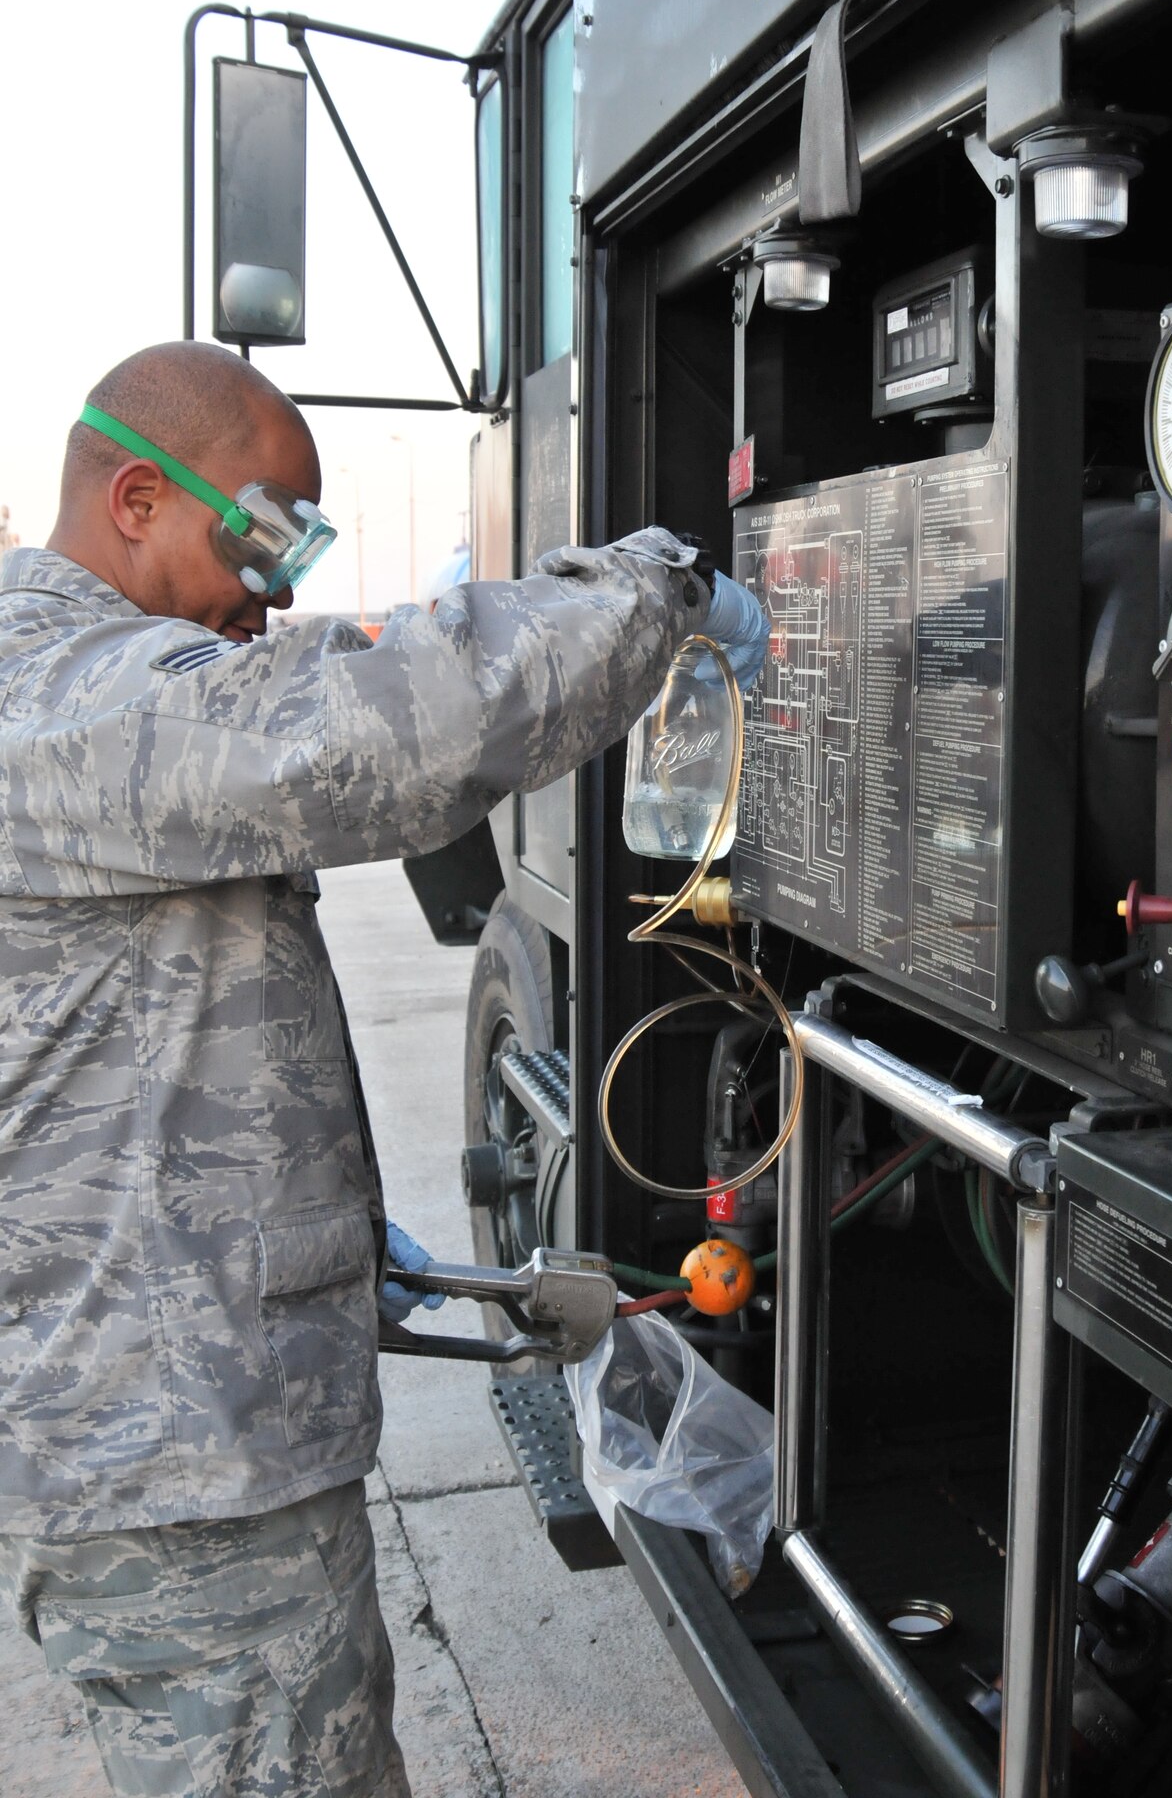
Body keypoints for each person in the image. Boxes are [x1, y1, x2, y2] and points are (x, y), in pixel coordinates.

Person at [0, 341, 767, 1798]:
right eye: (269, 529)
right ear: (140, 500)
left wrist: (328, 1242)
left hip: (175, 1442)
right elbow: (389, 730)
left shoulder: (83, 692)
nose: (281, 584)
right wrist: (662, 586)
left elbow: (151, 1049)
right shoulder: (63, 702)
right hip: (184, 1489)